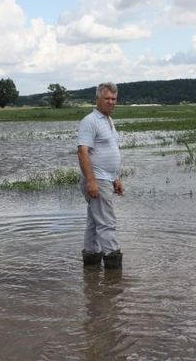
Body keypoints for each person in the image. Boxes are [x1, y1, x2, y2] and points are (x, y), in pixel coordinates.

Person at [77, 82, 123, 269]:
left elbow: (109, 151)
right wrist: (91, 181)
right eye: (107, 98)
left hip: (106, 178)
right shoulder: (90, 121)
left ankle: (91, 263)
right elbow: (82, 151)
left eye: (114, 99)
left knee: (94, 222)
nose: (111, 102)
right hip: (97, 179)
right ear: (97, 99)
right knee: (107, 222)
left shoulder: (108, 120)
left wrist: (116, 178)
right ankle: (114, 268)